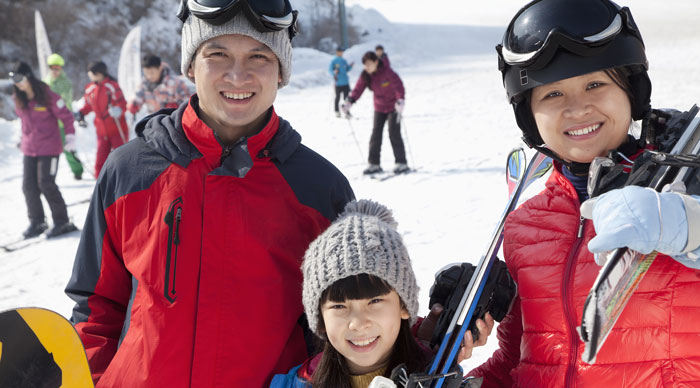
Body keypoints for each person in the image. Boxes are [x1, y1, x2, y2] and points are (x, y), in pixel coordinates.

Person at [64, 1, 355, 386]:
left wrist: (419, 338)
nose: (238, 75)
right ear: (189, 65)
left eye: (259, 56)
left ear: (282, 72)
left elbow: (351, 320)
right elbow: (96, 307)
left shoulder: (319, 188)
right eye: (217, 54)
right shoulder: (128, 171)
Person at [468, 0, 700, 386]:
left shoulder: (684, 183)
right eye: (552, 95)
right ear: (529, 116)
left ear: (632, 91)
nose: (577, 108)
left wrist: (687, 226)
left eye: (595, 84)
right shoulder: (525, 227)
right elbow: (518, 362)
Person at [270, 200, 428, 387]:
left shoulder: (438, 373)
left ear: (403, 305)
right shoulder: (296, 383)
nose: (359, 324)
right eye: (339, 306)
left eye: (375, 301)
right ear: (320, 319)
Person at [10, 61, 78, 238]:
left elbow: (66, 116)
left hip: (50, 147)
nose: (17, 84)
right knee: (28, 186)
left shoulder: (47, 94)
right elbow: (24, 121)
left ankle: (62, 221)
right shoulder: (18, 97)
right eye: (14, 80)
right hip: (30, 148)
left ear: (28, 77)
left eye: (20, 79)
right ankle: (37, 221)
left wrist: (70, 136)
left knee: (46, 183)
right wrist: (20, 138)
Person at [343, 51, 408, 175]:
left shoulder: (388, 72)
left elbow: (398, 86)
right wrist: (350, 101)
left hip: (393, 107)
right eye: (364, 65)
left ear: (376, 62)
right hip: (379, 108)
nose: (366, 67)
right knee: (375, 135)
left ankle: (401, 162)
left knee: (394, 133)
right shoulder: (366, 75)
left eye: (369, 64)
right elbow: (357, 90)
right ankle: (374, 164)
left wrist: (400, 100)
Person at [74, 61, 129, 177]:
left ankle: (125, 182)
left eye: (91, 73)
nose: (89, 76)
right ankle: (100, 185)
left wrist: (118, 110)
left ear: (99, 73)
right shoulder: (90, 88)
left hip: (117, 128)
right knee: (100, 160)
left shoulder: (112, 86)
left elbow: (123, 103)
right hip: (101, 130)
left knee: (122, 158)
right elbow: (89, 105)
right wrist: (81, 112)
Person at [43, 53, 85, 180]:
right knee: (49, 151)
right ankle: (48, 175)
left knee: (69, 148)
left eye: (57, 68)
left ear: (61, 69)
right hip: (50, 123)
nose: (55, 71)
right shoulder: (45, 83)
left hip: (63, 122)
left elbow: (65, 102)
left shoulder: (66, 83)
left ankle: (78, 170)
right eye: (52, 68)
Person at [126, 54, 190, 116]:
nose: (149, 76)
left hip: (171, 120)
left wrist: (176, 107)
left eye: (152, 72)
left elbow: (187, 102)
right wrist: (134, 105)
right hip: (153, 120)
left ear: (160, 68)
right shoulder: (144, 84)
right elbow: (138, 97)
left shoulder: (175, 83)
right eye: (146, 73)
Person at [329, 47, 353, 118]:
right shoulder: (334, 61)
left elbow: (347, 69)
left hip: (345, 82)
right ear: (337, 52)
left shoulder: (344, 60)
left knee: (347, 98)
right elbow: (330, 70)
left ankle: (347, 112)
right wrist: (334, 73)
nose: (341, 53)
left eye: (342, 52)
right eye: (340, 51)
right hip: (338, 83)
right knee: (337, 97)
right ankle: (337, 111)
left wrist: (350, 66)